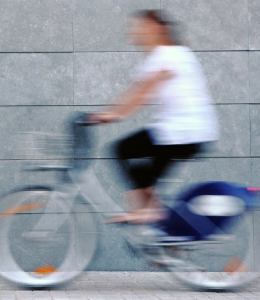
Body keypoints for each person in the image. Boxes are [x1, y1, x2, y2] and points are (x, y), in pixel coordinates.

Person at [90, 9, 218, 224]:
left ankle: (147, 214)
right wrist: (109, 112)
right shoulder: (173, 54)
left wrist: (114, 115)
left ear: (161, 29)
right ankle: (164, 236)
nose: (136, 31)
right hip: (189, 132)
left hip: (182, 132)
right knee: (145, 181)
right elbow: (135, 90)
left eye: (142, 26)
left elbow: (144, 92)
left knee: (124, 149)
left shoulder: (167, 55)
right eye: (135, 27)